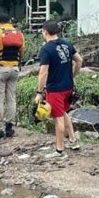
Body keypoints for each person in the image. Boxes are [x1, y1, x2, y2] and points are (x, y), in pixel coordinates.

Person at [34, 20, 83, 160]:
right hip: (68, 87)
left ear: (45, 32)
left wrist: (39, 92)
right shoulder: (66, 44)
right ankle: (73, 141)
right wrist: (72, 75)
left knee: (58, 119)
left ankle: (59, 151)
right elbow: (79, 60)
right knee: (62, 112)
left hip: (55, 89)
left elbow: (43, 72)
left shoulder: (46, 49)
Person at [0, 14, 25, 140]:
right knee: (11, 98)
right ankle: (9, 127)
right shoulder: (19, 33)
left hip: (1, 69)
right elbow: (22, 51)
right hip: (14, 69)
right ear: (10, 21)